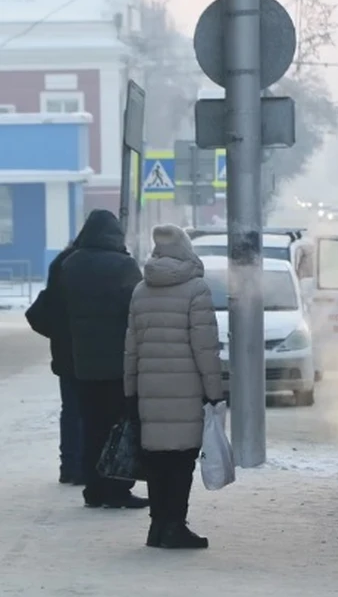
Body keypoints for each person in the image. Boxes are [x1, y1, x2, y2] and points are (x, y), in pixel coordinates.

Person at [124, 224, 223, 549]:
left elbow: (132, 348)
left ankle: (157, 527)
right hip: (185, 393)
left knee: (155, 461)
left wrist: (130, 391)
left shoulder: (141, 290)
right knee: (181, 461)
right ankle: (175, 527)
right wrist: (214, 392)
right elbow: (205, 349)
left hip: (149, 393)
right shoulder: (196, 289)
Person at [61, 209, 148, 509]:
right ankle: (118, 488)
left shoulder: (70, 265)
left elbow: (54, 312)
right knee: (120, 428)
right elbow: (139, 310)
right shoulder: (123, 266)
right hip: (118, 365)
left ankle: (94, 489)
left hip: (83, 365)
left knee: (92, 427)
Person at [25, 231, 87, 485]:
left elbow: (46, 309)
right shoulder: (92, 264)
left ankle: (69, 466)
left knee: (71, 409)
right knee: (95, 410)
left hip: (65, 351)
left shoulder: (61, 262)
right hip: (95, 352)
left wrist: (59, 334)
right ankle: (89, 467)